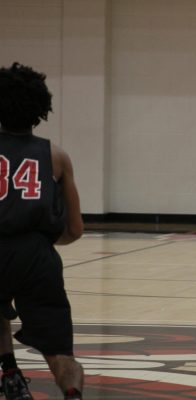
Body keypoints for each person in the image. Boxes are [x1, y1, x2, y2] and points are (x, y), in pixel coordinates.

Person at [0, 63, 84, 400]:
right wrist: (44, 241)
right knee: (60, 351)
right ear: (40, 109)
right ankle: (72, 391)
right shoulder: (56, 156)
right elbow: (75, 229)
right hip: (36, 256)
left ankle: (10, 372)